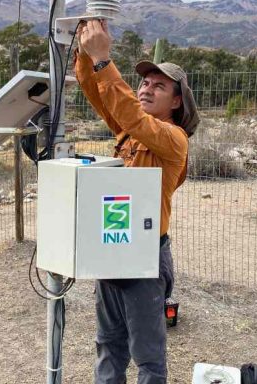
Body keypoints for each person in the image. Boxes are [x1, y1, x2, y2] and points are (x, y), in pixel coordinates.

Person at [75, 19, 199, 383]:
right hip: (114, 246)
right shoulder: (131, 130)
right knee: (109, 344)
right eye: (144, 83)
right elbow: (97, 92)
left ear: (176, 101)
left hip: (146, 256)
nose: (146, 89)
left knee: (147, 356)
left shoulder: (173, 139)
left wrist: (102, 58)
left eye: (158, 86)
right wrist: (85, 53)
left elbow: (129, 111)